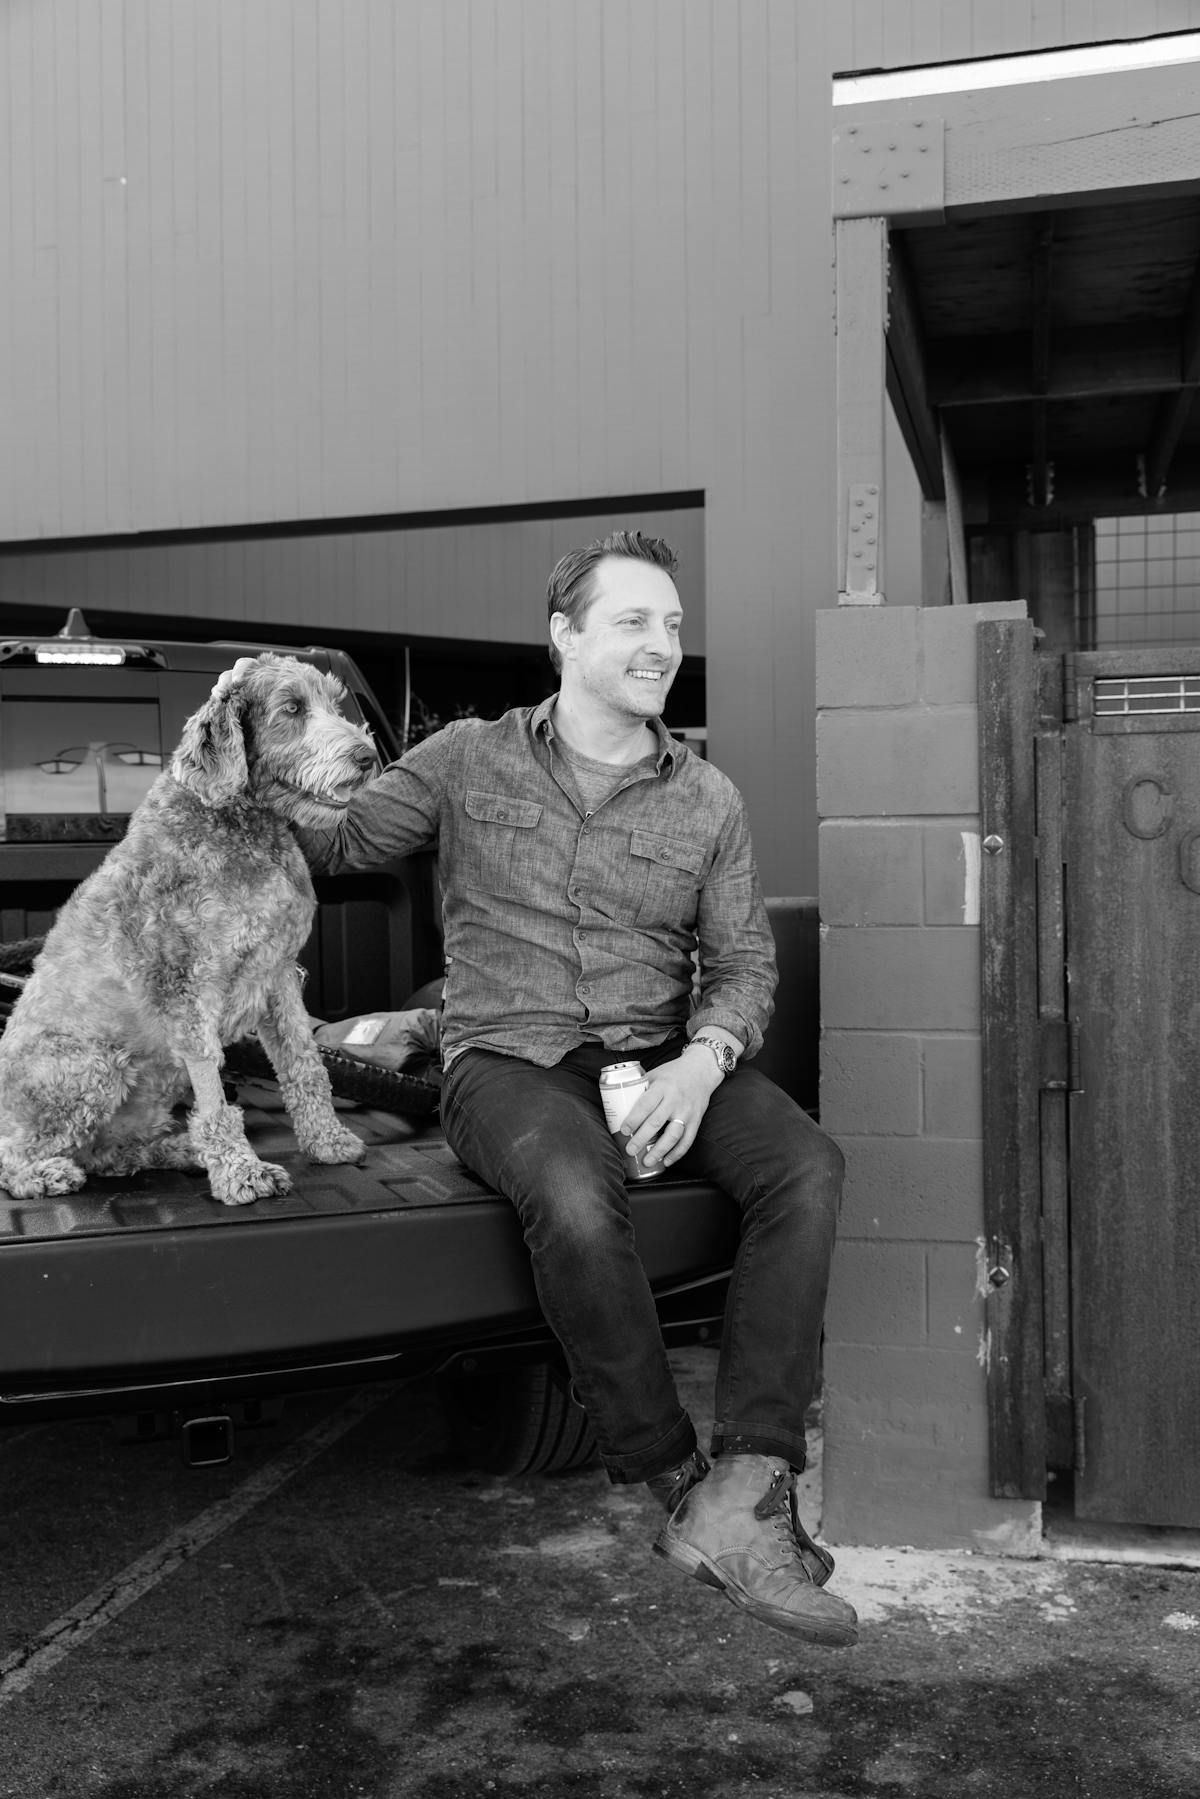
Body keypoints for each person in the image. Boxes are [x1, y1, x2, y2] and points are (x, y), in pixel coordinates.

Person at [221, 530, 856, 1646]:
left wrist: (700, 1065)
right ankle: (676, 1480)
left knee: (807, 1165)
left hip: (658, 1048)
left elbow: (744, 966)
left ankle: (750, 1482)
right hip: (504, 1058)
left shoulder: (707, 798)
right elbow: (345, 836)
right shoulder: (469, 756)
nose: (661, 643)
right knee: (571, 1191)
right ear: (563, 636)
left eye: (670, 623)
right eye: (632, 621)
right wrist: (239, 753)